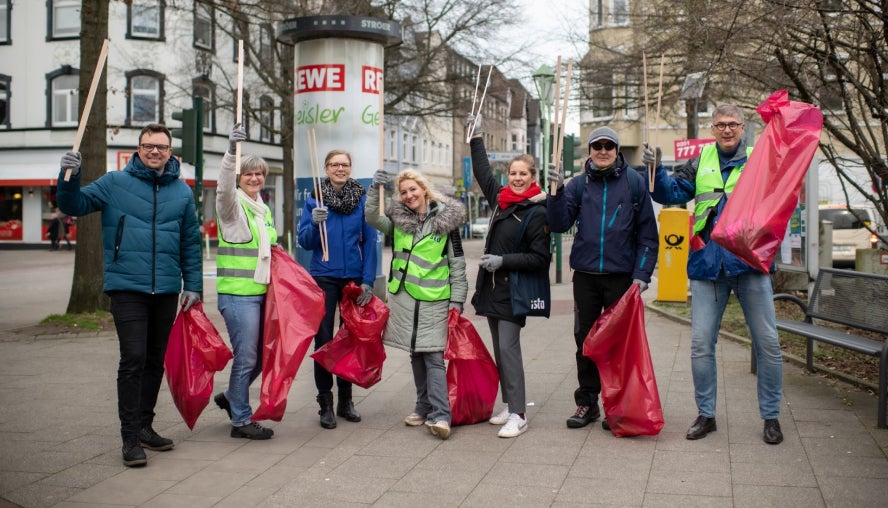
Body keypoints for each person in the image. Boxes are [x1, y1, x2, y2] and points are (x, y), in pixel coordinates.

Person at [56, 124, 202, 467]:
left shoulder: (182, 192)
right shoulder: (114, 183)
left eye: (162, 147)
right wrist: (68, 176)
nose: (155, 151)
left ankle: (145, 426)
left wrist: (193, 284)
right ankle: (129, 437)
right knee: (133, 358)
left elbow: (190, 242)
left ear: (171, 151)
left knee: (154, 360)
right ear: (138, 148)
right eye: (149, 145)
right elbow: (74, 204)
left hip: (166, 289)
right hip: (126, 287)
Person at [646, 104, 784, 444]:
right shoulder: (700, 161)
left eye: (733, 124)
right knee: (699, 345)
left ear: (742, 127)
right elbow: (671, 194)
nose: (726, 130)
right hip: (709, 265)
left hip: (749, 263)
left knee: (768, 344)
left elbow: (781, 191)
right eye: (720, 124)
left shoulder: (758, 158)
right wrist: (654, 171)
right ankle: (706, 415)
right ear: (713, 127)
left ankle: (771, 417)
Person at [546, 126, 659, 430]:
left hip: (621, 278)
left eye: (609, 145)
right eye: (598, 145)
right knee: (584, 340)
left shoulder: (634, 184)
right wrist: (554, 194)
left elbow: (649, 235)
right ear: (590, 150)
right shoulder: (578, 185)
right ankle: (587, 402)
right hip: (585, 276)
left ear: (617, 149)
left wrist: (641, 276)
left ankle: (618, 405)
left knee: (618, 344)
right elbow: (558, 224)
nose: (604, 150)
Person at [366, 168, 467, 440]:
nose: (409, 195)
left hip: (435, 299)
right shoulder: (398, 220)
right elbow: (372, 217)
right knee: (416, 352)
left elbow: (457, 263)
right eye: (403, 192)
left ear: (424, 189)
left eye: (413, 189)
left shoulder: (447, 221)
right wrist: (375, 190)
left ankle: (441, 415)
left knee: (433, 355)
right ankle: (422, 406)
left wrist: (457, 299)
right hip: (405, 297)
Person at [467, 114, 551, 438]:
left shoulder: (537, 210)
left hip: (514, 290)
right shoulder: (501, 201)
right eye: (513, 173)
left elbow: (540, 258)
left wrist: (502, 260)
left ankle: (519, 413)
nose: (517, 178)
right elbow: (483, 172)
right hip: (491, 290)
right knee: (499, 349)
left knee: (508, 349)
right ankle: (509, 403)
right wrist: (476, 139)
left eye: (523, 174)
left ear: (533, 177)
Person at [298, 149, 378, 429]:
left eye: (344, 164)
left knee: (348, 339)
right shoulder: (315, 199)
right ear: (326, 168)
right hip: (324, 276)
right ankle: (325, 403)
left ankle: (346, 400)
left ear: (350, 167)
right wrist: (314, 223)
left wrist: (368, 280)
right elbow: (305, 241)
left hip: (353, 279)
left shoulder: (362, 199)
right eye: (334, 165)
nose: (340, 169)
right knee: (323, 340)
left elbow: (370, 242)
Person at [212, 124, 276, 440]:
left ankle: (230, 397)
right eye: (248, 174)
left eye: (259, 174)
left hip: (259, 294)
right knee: (247, 357)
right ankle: (240, 420)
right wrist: (229, 153)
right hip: (237, 297)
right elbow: (223, 189)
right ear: (240, 177)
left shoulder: (261, 210)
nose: (254, 178)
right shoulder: (233, 209)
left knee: (262, 357)